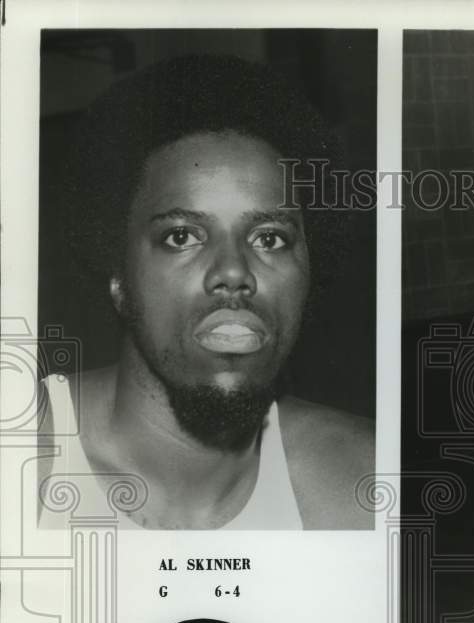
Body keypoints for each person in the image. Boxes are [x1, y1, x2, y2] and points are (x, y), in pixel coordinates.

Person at [37, 54, 374, 530]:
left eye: (270, 238)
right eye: (182, 236)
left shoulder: (366, 487)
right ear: (117, 275)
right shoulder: (21, 462)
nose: (234, 271)